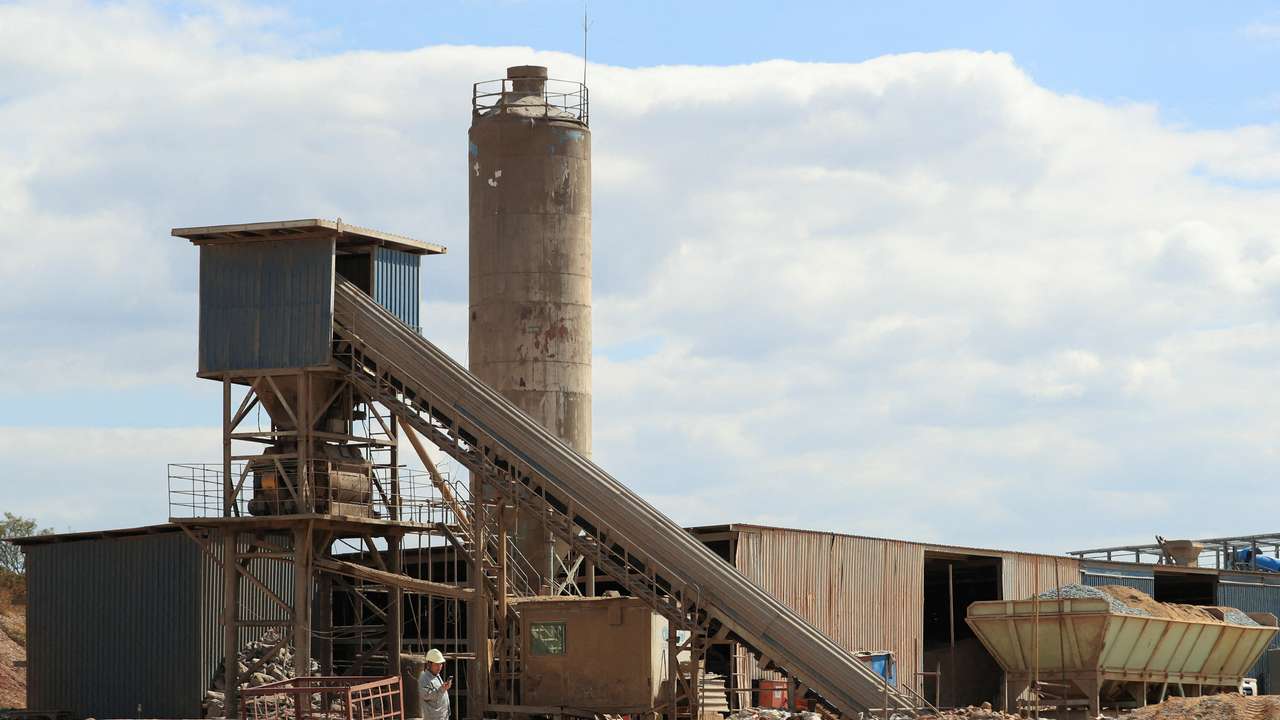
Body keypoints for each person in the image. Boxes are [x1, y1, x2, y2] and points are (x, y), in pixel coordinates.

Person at [419, 648, 452, 720]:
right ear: (429, 664)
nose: (439, 667)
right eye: (437, 664)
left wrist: (443, 688)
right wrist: (442, 689)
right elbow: (426, 695)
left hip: (442, 716)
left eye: (441, 664)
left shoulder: (436, 675)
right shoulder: (424, 678)